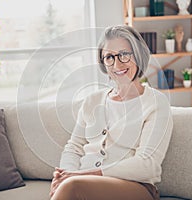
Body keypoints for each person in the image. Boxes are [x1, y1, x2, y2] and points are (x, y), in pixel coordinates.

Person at [50, 25, 173, 200]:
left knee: (72, 186)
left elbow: (148, 165)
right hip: (84, 183)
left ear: (138, 56)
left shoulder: (155, 102)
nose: (117, 64)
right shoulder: (92, 101)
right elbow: (74, 147)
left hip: (135, 187)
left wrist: (79, 177)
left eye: (124, 54)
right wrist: (65, 174)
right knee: (69, 185)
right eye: (109, 57)